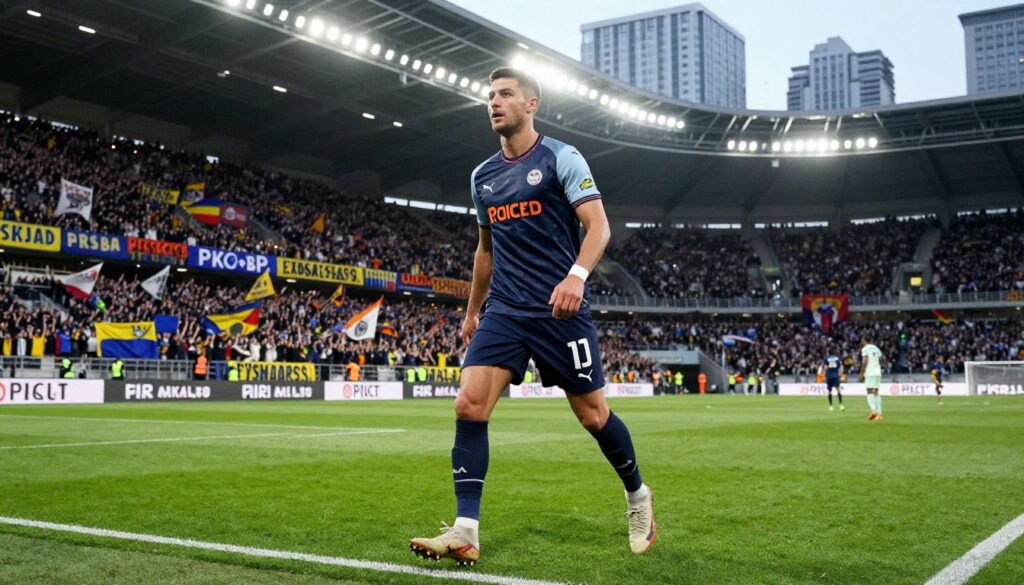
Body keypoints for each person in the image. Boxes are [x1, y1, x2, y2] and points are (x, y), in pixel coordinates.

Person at [410, 67, 655, 566]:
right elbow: (485, 250)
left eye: (505, 95)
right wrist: (473, 310)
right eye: (490, 97)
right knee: (469, 407)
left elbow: (599, 226)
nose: (494, 103)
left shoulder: (562, 158)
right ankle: (465, 530)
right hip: (504, 310)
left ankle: (638, 497)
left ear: (532, 104)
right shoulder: (483, 176)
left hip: (559, 310)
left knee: (592, 415)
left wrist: (577, 276)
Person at [860, 338, 884, 421]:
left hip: (870, 372)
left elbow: (865, 361)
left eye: (862, 340)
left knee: (869, 391)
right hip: (878, 372)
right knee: (876, 392)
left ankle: (873, 410)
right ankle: (880, 415)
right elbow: (881, 360)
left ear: (864, 341)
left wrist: (861, 373)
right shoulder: (877, 348)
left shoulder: (865, 349)